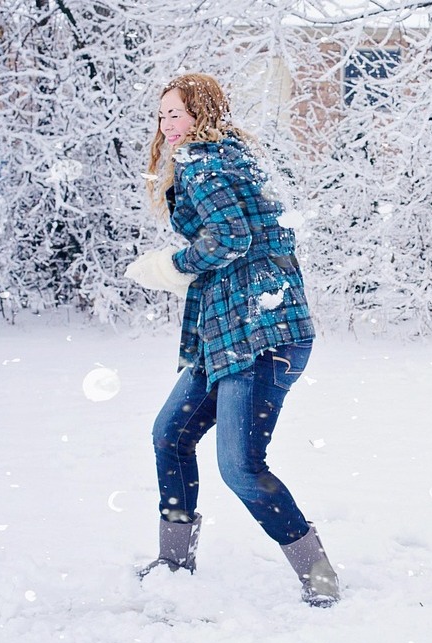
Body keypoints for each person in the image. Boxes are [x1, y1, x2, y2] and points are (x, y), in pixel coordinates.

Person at [123, 73, 339, 608]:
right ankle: (174, 562)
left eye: (176, 113)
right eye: (161, 116)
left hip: (259, 334)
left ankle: (319, 576)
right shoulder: (233, 157)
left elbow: (232, 238)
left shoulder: (204, 160)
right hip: (235, 333)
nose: (166, 125)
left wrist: (173, 265)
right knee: (170, 434)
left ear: (202, 112)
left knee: (240, 465)